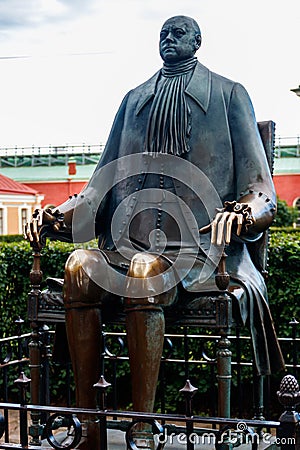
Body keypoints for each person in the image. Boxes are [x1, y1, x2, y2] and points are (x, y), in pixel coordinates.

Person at [26, 15, 284, 449]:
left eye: (179, 31)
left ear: (198, 41)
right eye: (162, 31)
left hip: (201, 253)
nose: (168, 37)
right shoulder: (133, 101)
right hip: (127, 247)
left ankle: (143, 425)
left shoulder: (229, 95)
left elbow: (262, 190)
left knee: (146, 271)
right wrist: (57, 215)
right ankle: (89, 422)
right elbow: (96, 190)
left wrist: (243, 212)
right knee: (79, 267)